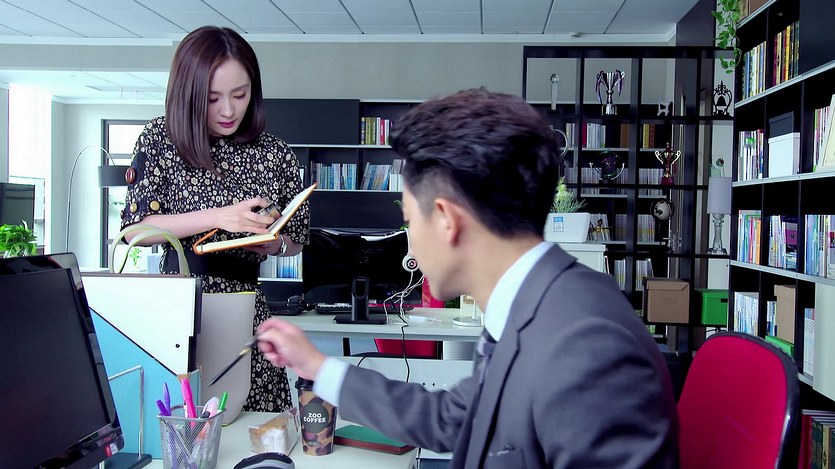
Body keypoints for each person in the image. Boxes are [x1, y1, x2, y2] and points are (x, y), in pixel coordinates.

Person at [257, 88, 678, 467]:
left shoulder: (586, 349)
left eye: (409, 222)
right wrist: (317, 366)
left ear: (447, 220)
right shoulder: (533, 304)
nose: (410, 244)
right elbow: (452, 419)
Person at [121, 26, 309, 412]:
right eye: (212, 98)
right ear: (188, 94)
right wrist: (222, 217)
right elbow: (135, 231)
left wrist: (273, 243)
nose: (228, 110)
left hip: (246, 307)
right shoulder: (159, 139)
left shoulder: (274, 152)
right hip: (178, 309)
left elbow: (296, 239)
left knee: (255, 425)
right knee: (181, 425)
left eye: (240, 95)